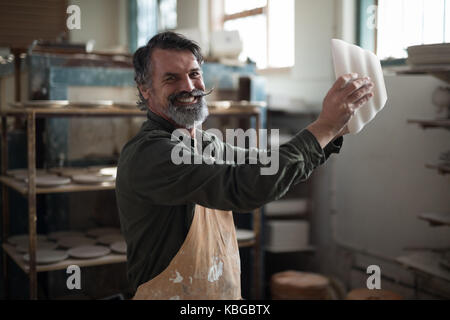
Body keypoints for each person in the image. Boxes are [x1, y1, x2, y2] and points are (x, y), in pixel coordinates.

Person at [116, 31, 374, 300]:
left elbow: (266, 165)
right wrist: (323, 126)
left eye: (194, 74)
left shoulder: (205, 144)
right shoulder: (150, 154)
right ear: (145, 90)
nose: (189, 86)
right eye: (171, 78)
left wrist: (333, 131)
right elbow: (245, 186)